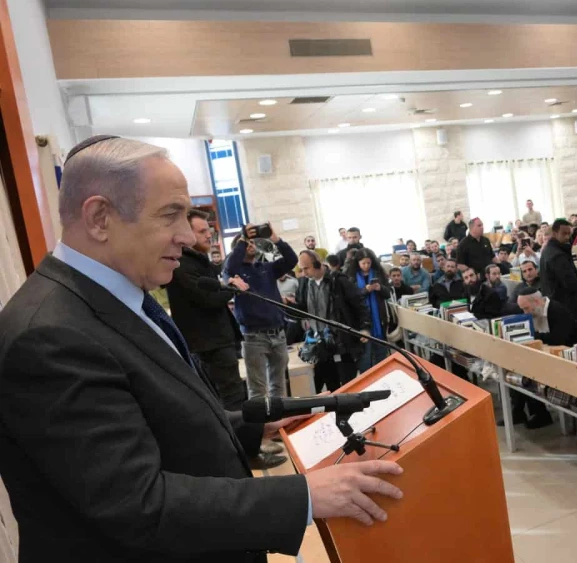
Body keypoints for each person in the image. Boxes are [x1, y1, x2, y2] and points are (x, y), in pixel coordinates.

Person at [0, 136, 404, 561]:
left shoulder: (116, 299)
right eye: (170, 215)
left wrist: (256, 423)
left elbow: (156, 418)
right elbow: (136, 503)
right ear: (100, 217)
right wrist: (302, 496)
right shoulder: (49, 336)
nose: (185, 237)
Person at [165, 209, 246, 411]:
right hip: (209, 345)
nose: (209, 235)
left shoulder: (199, 261)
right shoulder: (182, 264)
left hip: (216, 342)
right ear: (185, 232)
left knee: (232, 398)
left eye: (209, 230)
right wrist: (233, 288)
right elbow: (208, 299)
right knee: (231, 401)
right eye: (202, 231)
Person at [225, 224, 297, 401]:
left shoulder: (266, 268)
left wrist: (275, 239)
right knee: (257, 389)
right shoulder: (235, 273)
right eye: (246, 243)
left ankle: (280, 420)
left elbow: (291, 260)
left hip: (278, 334)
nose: (251, 245)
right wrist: (242, 241)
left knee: (278, 385)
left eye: (252, 242)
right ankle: (263, 426)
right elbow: (229, 268)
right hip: (254, 337)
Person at [296, 250, 370, 392]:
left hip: (341, 343)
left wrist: (365, 327)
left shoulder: (339, 281)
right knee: (332, 389)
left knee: (348, 388)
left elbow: (359, 304)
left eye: (306, 268)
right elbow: (303, 307)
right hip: (320, 345)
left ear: (318, 264)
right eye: (302, 269)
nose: (304, 273)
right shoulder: (305, 284)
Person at [510, 287, 576, 428]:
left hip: (565, 358)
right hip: (545, 355)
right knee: (515, 366)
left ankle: (541, 415)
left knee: (529, 373)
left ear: (538, 302)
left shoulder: (557, 311)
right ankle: (519, 412)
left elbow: (559, 339)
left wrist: (533, 337)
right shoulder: (535, 312)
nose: (525, 313)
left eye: (526, 308)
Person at [345, 253, 392, 373]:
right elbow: (351, 298)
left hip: (379, 320)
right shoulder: (351, 277)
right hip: (361, 321)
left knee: (381, 356)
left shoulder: (378, 273)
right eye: (363, 263)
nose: (366, 266)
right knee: (365, 359)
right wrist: (365, 290)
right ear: (358, 263)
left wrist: (379, 288)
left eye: (368, 263)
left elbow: (388, 294)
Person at [540, 219, 577, 321]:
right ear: (555, 233)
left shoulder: (548, 251)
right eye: (564, 234)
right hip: (566, 306)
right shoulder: (557, 255)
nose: (567, 237)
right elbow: (570, 284)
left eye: (569, 234)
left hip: (555, 303)